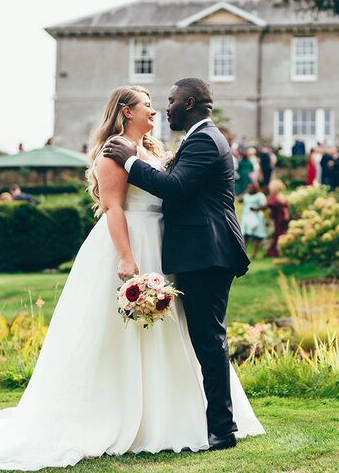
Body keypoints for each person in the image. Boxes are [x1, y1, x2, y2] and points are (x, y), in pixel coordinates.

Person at [0, 84, 264, 471]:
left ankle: (179, 418)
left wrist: (135, 162)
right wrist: (127, 259)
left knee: (177, 336)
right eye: (147, 104)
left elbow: (174, 189)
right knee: (121, 339)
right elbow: (113, 208)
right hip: (132, 249)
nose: (157, 109)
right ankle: (126, 416)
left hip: (167, 251)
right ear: (126, 111)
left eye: (165, 102)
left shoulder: (155, 152)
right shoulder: (114, 154)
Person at [102, 77, 265, 452]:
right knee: (205, 339)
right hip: (198, 252)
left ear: (189, 103)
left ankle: (222, 430)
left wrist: (128, 158)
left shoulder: (206, 139)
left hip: (207, 253)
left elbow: (175, 187)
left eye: (172, 101)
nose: (166, 107)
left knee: (209, 339)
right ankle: (214, 423)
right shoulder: (200, 138)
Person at [241, 181, 268, 259]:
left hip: (256, 217)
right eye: (248, 187)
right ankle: (242, 253)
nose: (249, 189)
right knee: (245, 235)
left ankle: (254, 254)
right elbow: (239, 199)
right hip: (246, 217)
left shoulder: (260, 196)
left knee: (256, 236)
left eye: (251, 187)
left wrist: (256, 209)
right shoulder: (246, 195)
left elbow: (265, 206)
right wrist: (246, 191)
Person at [265, 179, 290, 258]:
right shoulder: (282, 197)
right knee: (282, 233)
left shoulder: (273, 197)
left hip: (278, 218)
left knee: (278, 234)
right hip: (284, 217)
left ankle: (276, 251)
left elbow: (269, 207)